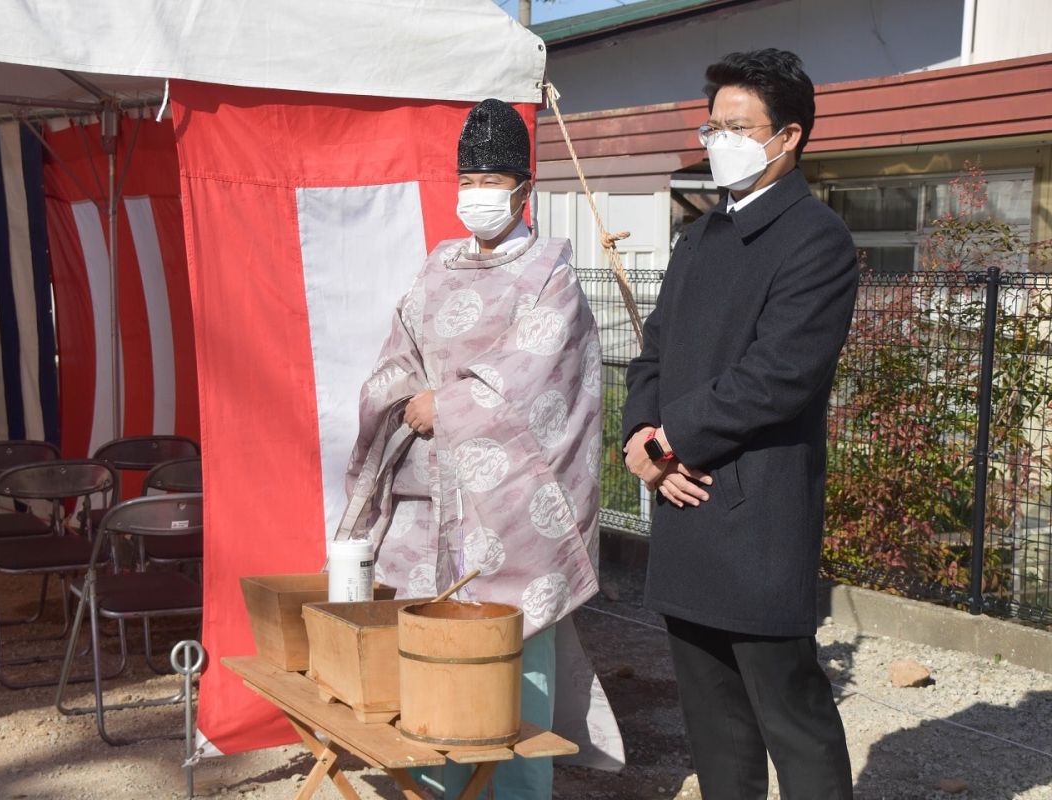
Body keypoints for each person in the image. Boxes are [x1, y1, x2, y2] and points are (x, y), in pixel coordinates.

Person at [342, 98, 622, 799]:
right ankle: (441, 784)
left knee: (515, 649)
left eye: (492, 181)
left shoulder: (550, 273)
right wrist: (407, 397)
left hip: (513, 506)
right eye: (468, 180)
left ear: (524, 190)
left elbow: (541, 372)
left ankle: (519, 790)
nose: (477, 195)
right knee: (429, 648)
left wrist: (452, 404)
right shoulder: (438, 266)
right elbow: (401, 352)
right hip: (430, 494)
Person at [622, 49, 858, 799]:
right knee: (712, 720)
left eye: (736, 126)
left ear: (787, 137)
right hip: (682, 502)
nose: (716, 139)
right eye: (712, 125)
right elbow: (652, 352)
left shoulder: (816, 239)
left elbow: (778, 376)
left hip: (757, 509)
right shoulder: (701, 237)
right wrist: (639, 439)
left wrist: (669, 439)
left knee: (790, 712)